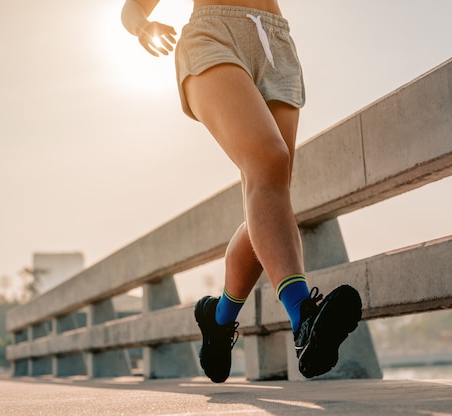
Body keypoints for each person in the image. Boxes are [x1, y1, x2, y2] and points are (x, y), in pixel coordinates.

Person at [121, 0, 362, 383]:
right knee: (268, 160)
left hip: (276, 41)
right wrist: (142, 27)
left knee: (270, 191)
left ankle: (219, 318)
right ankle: (302, 317)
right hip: (212, 34)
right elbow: (133, 7)